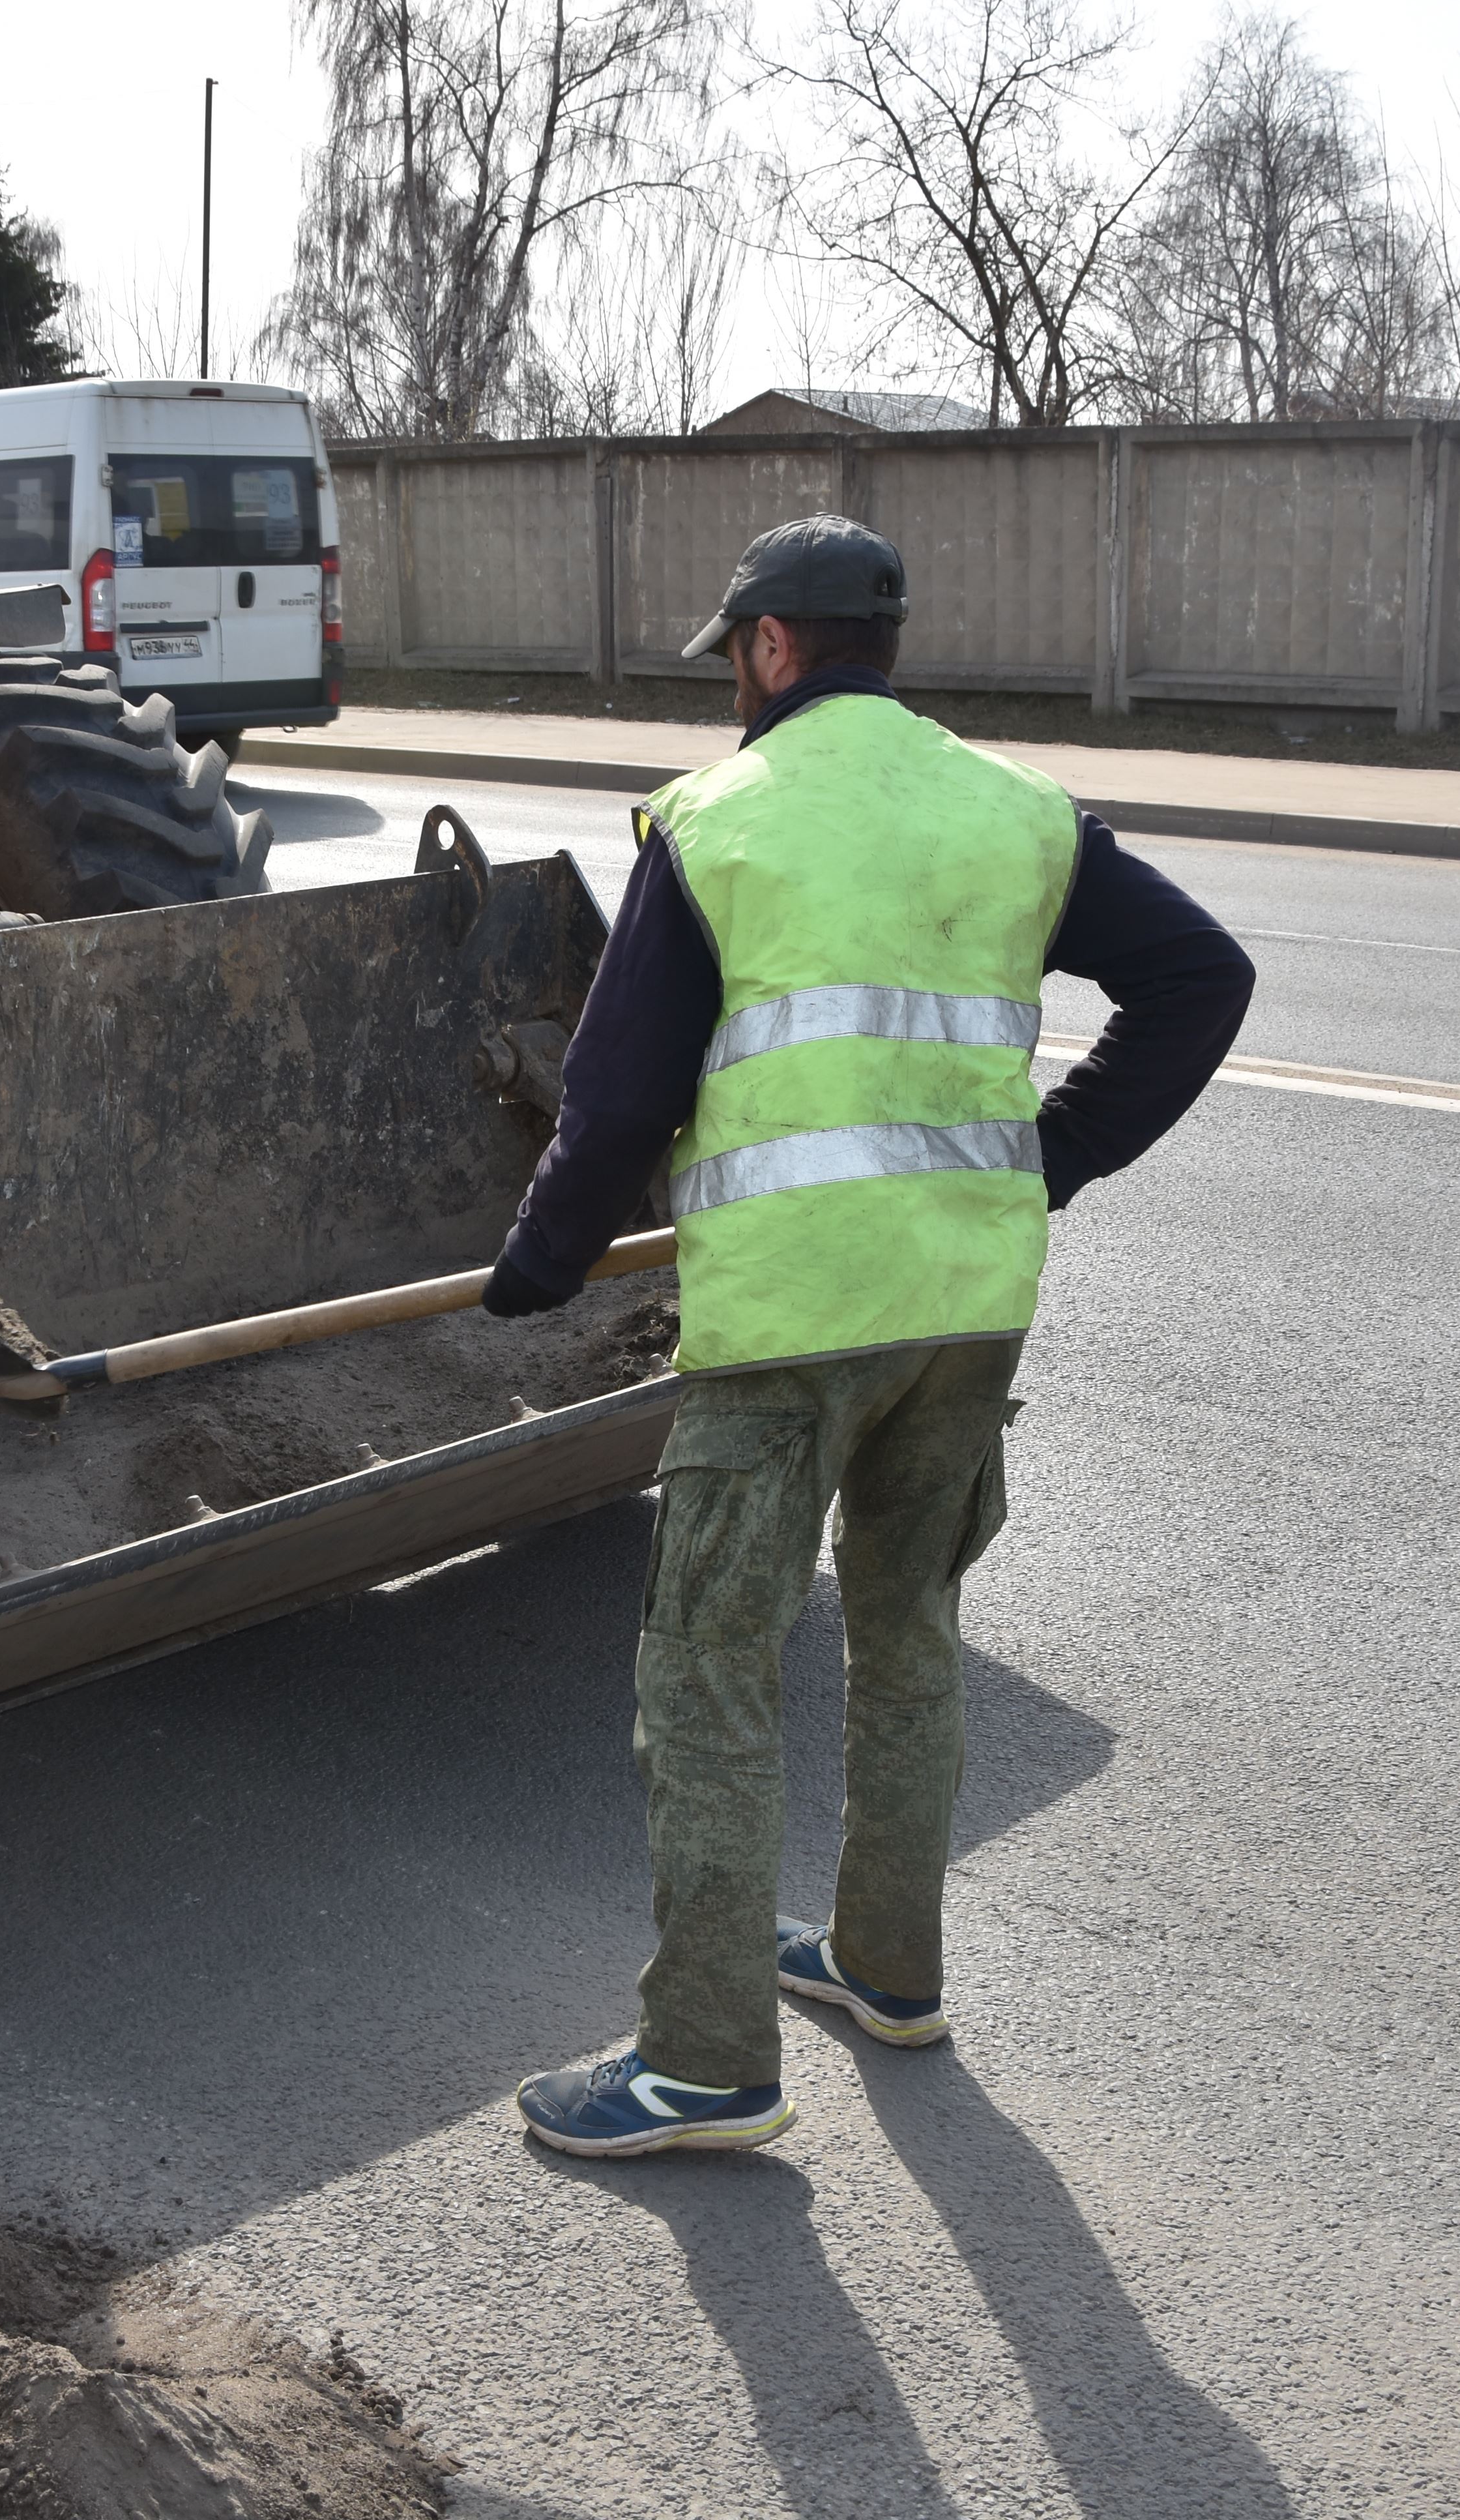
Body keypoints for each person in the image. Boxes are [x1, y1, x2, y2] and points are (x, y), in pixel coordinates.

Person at [487, 516, 1253, 2159]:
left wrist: (538, 1265)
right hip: (965, 1305)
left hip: (790, 1323)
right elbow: (1202, 977)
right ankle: (886, 1969)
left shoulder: (718, 824)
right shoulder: (1015, 813)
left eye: (733, 660)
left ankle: (702, 2064)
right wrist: (1056, 1153)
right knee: (904, 1633)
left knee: (705, 1667)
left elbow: (618, 1095)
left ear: (767, 646)